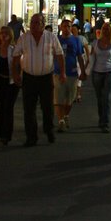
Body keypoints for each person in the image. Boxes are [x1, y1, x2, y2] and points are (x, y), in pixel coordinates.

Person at [12, 13, 66, 146]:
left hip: (46, 77)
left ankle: (49, 130)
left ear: (43, 24)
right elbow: (16, 57)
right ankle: (31, 136)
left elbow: (59, 55)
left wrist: (62, 72)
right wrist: (16, 74)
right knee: (29, 108)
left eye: (37, 22)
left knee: (47, 107)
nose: (33, 25)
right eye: (32, 22)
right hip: (29, 77)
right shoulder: (24, 38)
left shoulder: (51, 37)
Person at [55, 18, 88, 131]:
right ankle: (60, 121)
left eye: (69, 26)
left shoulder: (76, 40)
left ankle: (66, 115)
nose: (67, 28)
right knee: (58, 98)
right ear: (60, 27)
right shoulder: (57, 40)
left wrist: (83, 71)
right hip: (58, 72)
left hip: (72, 73)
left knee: (70, 99)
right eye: (64, 26)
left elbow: (80, 56)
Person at [91, 23, 111, 131]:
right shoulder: (95, 43)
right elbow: (91, 58)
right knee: (99, 98)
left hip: (109, 72)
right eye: (104, 29)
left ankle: (105, 122)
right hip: (97, 73)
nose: (106, 31)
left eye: (108, 29)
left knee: (106, 98)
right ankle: (101, 118)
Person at [0, 25, 19, 145]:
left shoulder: (13, 50)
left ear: (10, 36)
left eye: (6, 33)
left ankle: (7, 134)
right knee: (1, 107)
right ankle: (2, 134)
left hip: (11, 82)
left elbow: (18, 65)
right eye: (2, 33)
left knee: (8, 107)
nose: (3, 36)